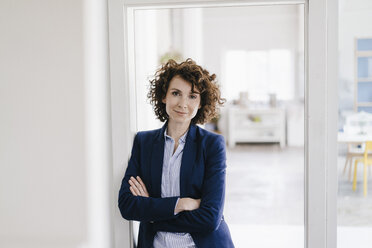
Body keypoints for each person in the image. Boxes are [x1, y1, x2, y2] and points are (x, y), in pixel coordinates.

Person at [118, 58, 235, 248]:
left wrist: (152, 213)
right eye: (176, 93)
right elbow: (127, 205)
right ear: (164, 96)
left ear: (200, 102)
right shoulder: (144, 142)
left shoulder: (212, 144)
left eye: (192, 96)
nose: (183, 103)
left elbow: (210, 218)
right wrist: (180, 204)